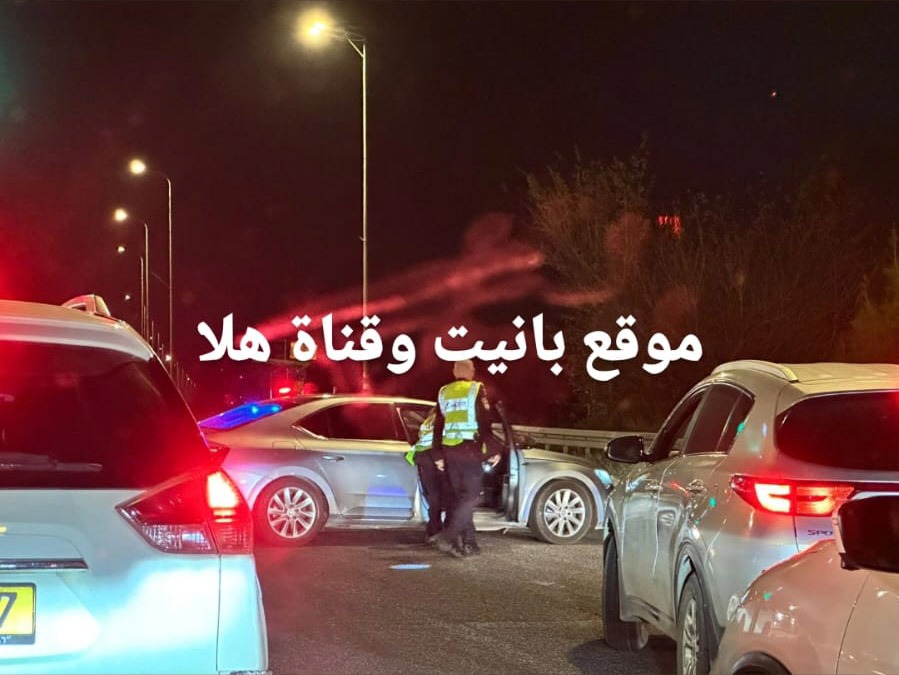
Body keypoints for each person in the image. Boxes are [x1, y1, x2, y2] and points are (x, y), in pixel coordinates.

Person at [431, 359, 500, 558]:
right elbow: (484, 423)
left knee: (460, 498)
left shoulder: (444, 392)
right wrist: (493, 450)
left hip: (449, 451)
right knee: (470, 497)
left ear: (454, 372)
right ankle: (450, 536)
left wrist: (437, 455)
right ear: (471, 371)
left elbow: (438, 425)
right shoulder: (476, 389)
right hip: (469, 450)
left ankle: (469, 542)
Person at [404, 409, 454, 543]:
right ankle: (443, 532)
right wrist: (440, 458)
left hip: (423, 456)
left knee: (434, 496)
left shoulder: (428, 420)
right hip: (435, 456)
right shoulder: (447, 418)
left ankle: (433, 530)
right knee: (446, 495)